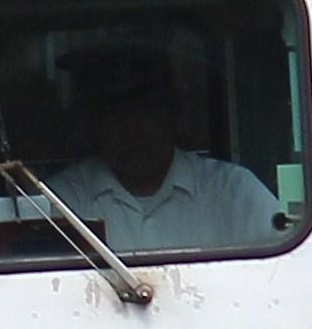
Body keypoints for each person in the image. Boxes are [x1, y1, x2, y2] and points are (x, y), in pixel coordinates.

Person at [43, 44, 284, 254]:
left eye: (146, 110)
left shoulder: (233, 191)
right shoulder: (61, 200)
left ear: (173, 113)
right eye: (114, 115)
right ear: (92, 123)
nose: (132, 129)